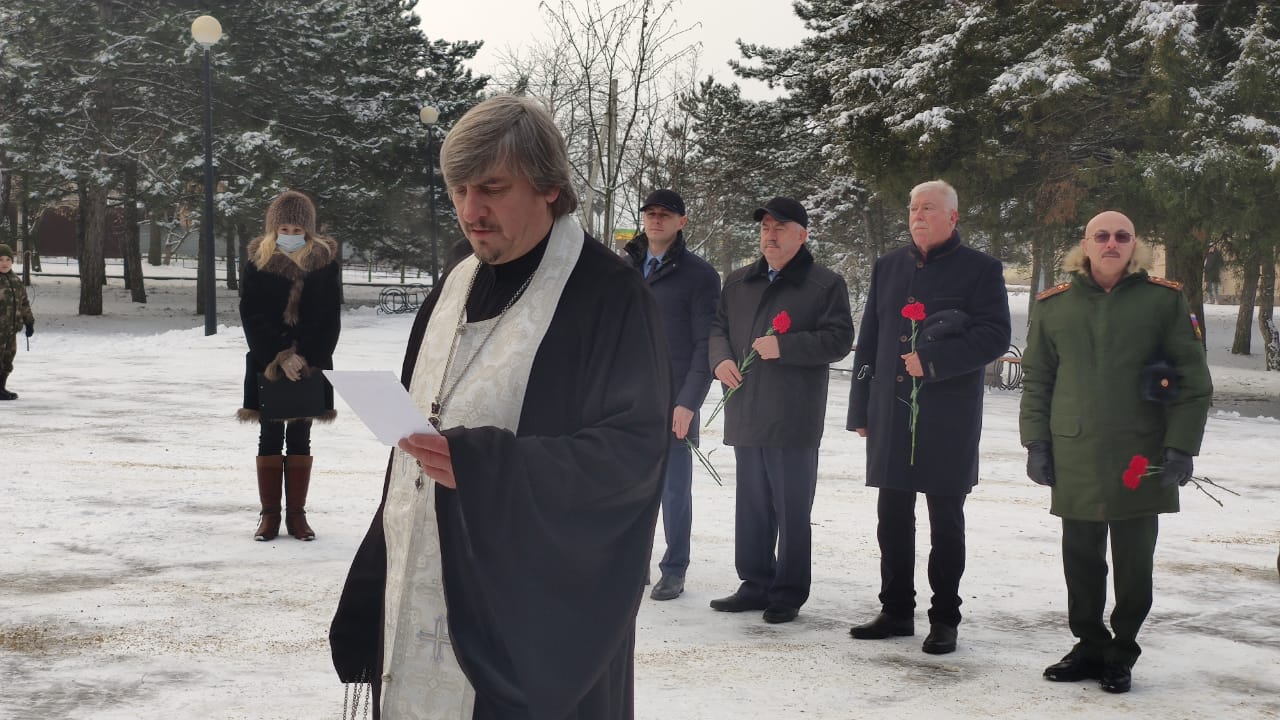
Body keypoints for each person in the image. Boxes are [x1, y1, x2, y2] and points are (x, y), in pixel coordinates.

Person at [329, 95, 671, 720]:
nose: (470, 211)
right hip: (419, 581)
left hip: (528, 620)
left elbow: (634, 456)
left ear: (549, 188)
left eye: (491, 188)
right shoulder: (456, 282)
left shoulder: (609, 296)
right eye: (458, 190)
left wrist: (488, 467)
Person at [1020, 210, 1212, 694]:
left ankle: (1122, 651)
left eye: (1121, 236)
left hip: (1140, 454)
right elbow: (1038, 380)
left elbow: (1193, 382)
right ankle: (1089, 645)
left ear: (1134, 245)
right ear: (1085, 245)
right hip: (1075, 450)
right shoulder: (1055, 305)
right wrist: (1036, 442)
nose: (1111, 243)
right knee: (1080, 557)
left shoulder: (1163, 300)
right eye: (1101, 236)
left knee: (1134, 562)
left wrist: (1180, 447)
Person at [846, 179, 1010, 654]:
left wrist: (934, 362)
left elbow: (995, 335)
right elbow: (871, 339)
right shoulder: (889, 266)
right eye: (913, 208)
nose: (918, 215)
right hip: (890, 412)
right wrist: (861, 407)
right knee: (892, 517)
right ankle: (896, 611)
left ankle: (945, 618)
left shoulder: (981, 269)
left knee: (945, 521)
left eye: (929, 208)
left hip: (947, 417)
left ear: (953, 217)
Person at [706, 196, 854, 624]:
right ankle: (755, 583)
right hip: (746, 409)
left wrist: (784, 346)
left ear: (802, 235)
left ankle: (788, 592)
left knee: (791, 509)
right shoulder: (738, 281)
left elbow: (839, 340)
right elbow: (717, 327)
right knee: (752, 505)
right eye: (765, 228)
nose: (770, 235)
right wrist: (720, 359)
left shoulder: (824, 285)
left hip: (792, 416)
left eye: (780, 228)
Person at [624, 188, 720, 601]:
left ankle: (674, 568)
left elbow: (705, 344)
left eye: (665, 214)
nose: (656, 219)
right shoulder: (625, 267)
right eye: (650, 213)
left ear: (682, 222)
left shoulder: (699, 275)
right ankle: (632, 564)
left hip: (673, 401)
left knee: (674, 490)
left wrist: (688, 402)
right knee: (628, 487)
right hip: (626, 399)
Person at [236, 191, 341, 542]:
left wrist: (305, 358)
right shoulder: (257, 261)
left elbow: (329, 317)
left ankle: (297, 515)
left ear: (308, 230)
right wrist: (281, 355)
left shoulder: (324, 262)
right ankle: (269, 516)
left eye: (297, 228)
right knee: (269, 435)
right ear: (273, 228)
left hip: (310, 363)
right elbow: (251, 314)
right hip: (267, 361)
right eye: (284, 228)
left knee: (300, 436)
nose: (290, 233)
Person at [0, 244, 36, 401]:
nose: (4, 263)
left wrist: (29, 322)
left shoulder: (15, 280)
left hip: (10, 330)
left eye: (8, 260)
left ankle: (1, 387)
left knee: (8, 358)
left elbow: (24, 303)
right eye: (0, 260)